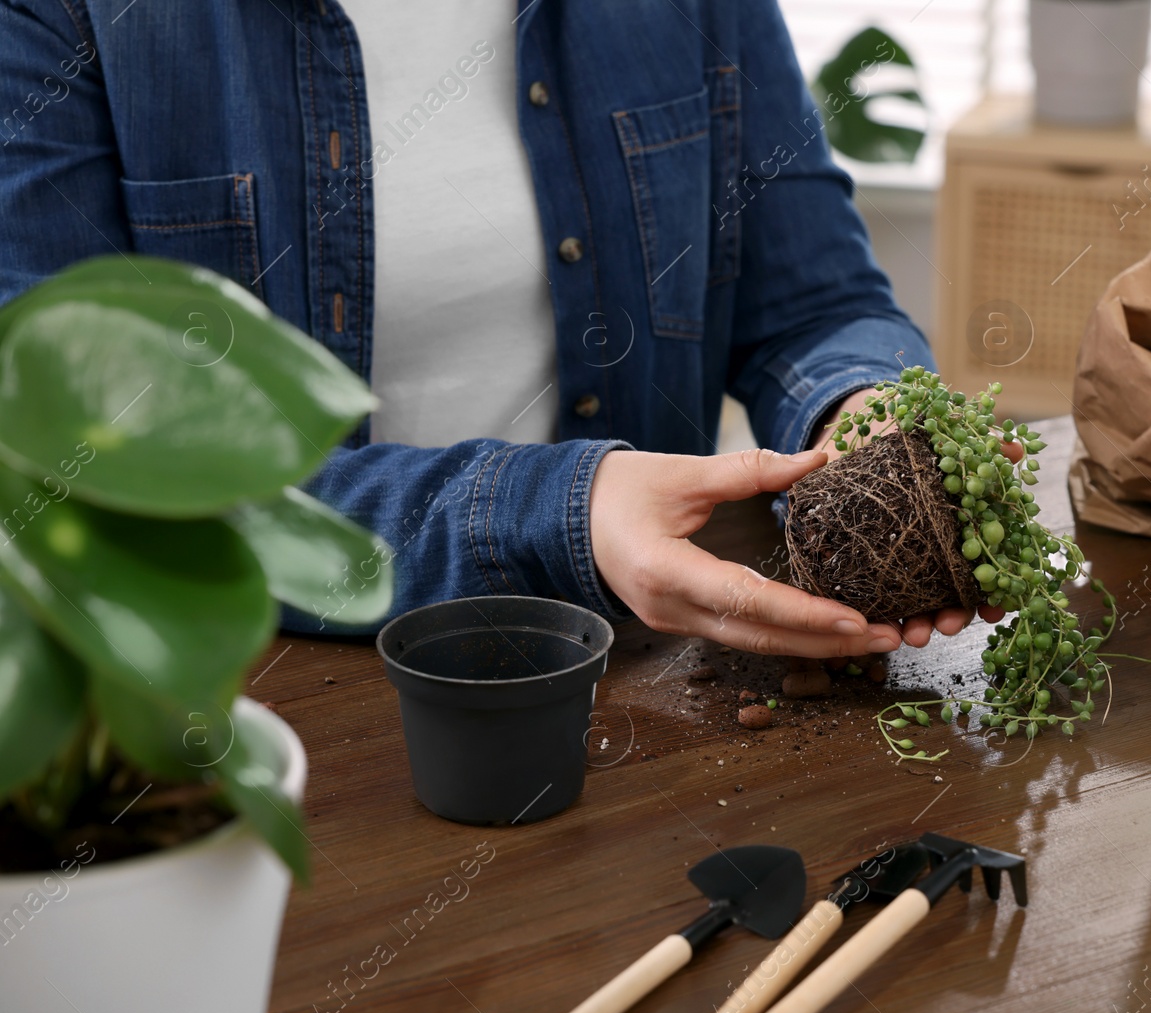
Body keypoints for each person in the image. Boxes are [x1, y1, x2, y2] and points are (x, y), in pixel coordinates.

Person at [0, 0, 1002, 657]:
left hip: (633, 693)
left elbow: (811, 300)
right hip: (242, 722)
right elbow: (79, 456)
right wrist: (561, 510)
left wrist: (867, 411)